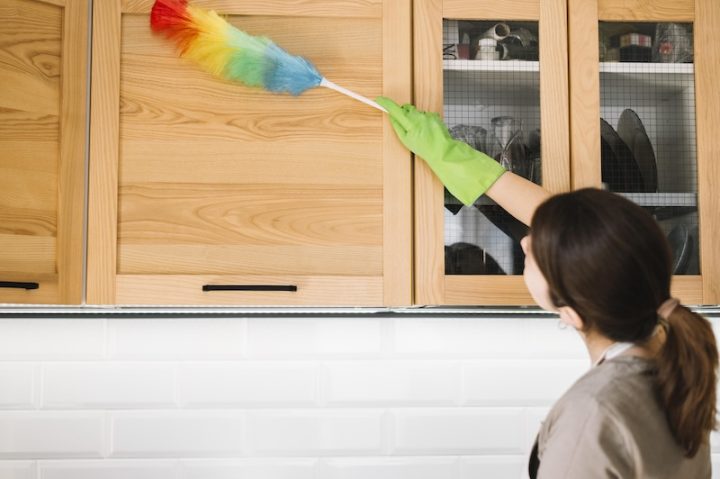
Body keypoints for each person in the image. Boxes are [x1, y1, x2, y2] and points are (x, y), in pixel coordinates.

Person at [375, 97, 718, 478]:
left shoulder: (594, 413)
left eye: (536, 253)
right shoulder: (675, 383)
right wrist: (454, 158)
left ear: (570, 311)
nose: (524, 242)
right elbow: (580, 230)